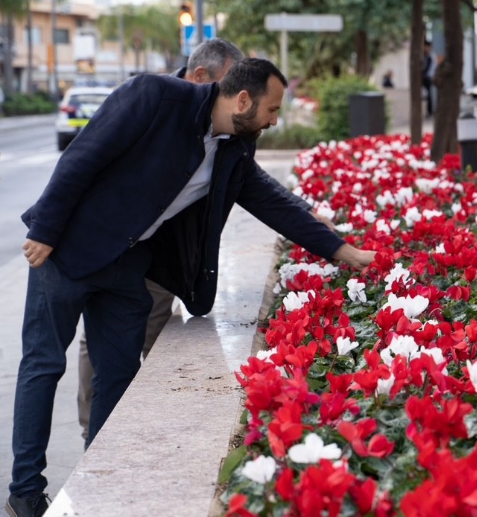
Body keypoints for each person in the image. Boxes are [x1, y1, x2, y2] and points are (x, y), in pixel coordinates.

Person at [6, 58, 375, 517]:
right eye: (272, 109)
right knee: (43, 365)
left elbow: (268, 200)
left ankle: (98, 479)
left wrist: (344, 250)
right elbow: (83, 156)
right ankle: (25, 491)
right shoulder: (153, 97)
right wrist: (46, 229)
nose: (274, 120)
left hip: (127, 269)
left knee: (118, 376)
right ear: (242, 100)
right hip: (64, 253)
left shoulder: (235, 149)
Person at [73, 38, 334, 443]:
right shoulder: (156, 104)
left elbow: (251, 180)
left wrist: (303, 212)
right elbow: (84, 162)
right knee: (104, 343)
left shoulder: (230, 121)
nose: (237, 96)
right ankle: (97, 432)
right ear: (201, 77)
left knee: (153, 333)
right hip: (116, 251)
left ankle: (137, 424)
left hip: (167, 254)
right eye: (228, 84)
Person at [421, 41, 436, 117]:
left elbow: (427, 68)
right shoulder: (426, 56)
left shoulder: (430, 56)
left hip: (427, 78)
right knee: (427, 95)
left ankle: (429, 110)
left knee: (429, 95)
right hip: (426, 77)